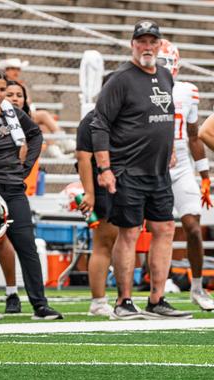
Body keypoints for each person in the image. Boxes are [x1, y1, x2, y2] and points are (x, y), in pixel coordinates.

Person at [91, 20, 190, 320]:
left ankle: (157, 299)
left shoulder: (164, 74)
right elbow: (99, 124)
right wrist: (105, 168)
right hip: (127, 169)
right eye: (142, 41)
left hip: (158, 170)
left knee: (165, 229)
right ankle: (124, 302)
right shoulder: (120, 78)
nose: (147, 47)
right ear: (133, 44)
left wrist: (170, 148)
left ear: (160, 45)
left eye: (153, 42)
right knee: (130, 232)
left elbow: (167, 115)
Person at [0, 70, 62, 320]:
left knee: (27, 245)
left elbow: (35, 134)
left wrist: (26, 167)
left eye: (1, 89)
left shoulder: (13, 113)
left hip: (14, 187)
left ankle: (40, 305)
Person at [156, 39, 214, 311]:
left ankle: (197, 288)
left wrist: (204, 175)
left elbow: (193, 136)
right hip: (152, 165)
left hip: (180, 168)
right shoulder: (142, 89)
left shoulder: (187, 91)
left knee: (193, 226)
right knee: (158, 230)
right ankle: (156, 289)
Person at [75, 74, 118, 317]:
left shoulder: (131, 119)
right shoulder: (91, 120)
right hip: (103, 186)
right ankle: (99, 301)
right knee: (105, 242)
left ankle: (125, 299)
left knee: (124, 243)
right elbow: (83, 157)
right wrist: (89, 193)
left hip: (129, 184)